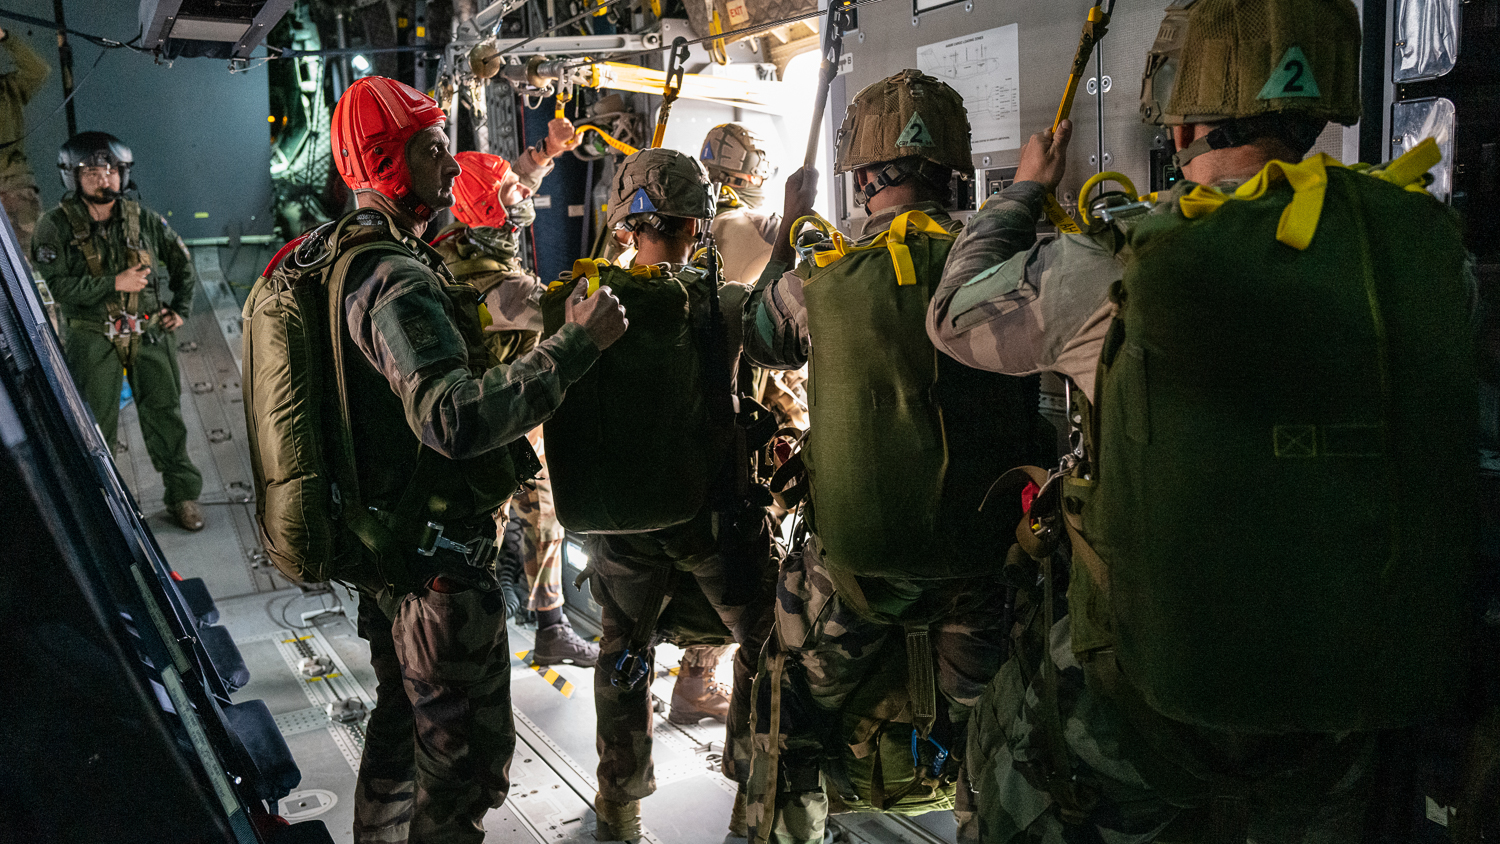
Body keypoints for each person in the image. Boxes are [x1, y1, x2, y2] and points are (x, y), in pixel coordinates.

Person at [927, 1, 1478, 840]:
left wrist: (1028, 194)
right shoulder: (1428, 253)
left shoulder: (1112, 262)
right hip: (1344, 701)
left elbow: (953, 316)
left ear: (1181, 127)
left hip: (1138, 696)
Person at [303, 76, 625, 844]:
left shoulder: (342, 254)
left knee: (396, 721)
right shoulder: (397, 279)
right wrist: (577, 346)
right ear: (385, 160)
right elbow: (449, 417)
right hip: (436, 563)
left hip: (388, 550)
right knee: (461, 762)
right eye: (434, 150)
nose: (451, 168)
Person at [741, 69, 1043, 843]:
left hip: (853, 573)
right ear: (954, 170)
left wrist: (791, 230)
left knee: (789, 712)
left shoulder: (819, 274)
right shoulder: (1016, 269)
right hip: (984, 566)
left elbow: (761, 339)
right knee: (995, 739)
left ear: (864, 175)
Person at [547, 147, 774, 841]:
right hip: (709, 520)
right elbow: (787, 338)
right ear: (697, 227)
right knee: (764, 640)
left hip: (620, 528)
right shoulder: (723, 305)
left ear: (626, 223)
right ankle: (752, 798)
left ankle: (620, 804)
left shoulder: (580, 305)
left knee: (624, 650)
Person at [430, 133, 599, 668]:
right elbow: (567, 311)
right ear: (489, 211)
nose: (522, 200)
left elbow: (498, 195)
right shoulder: (503, 290)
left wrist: (539, 160)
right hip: (507, 420)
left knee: (516, 520)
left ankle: (538, 627)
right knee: (532, 518)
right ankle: (509, 634)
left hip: (482, 416)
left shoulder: (453, 244)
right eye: (510, 195)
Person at [33, 132, 206, 531]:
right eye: (91, 171)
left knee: (165, 417)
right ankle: (102, 506)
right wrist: (115, 283)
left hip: (148, 332)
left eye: (111, 169)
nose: (103, 178)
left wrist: (179, 308)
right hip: (92, 337)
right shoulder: (52, 226)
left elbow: (182, 263)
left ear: (123, 174)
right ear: (71, 177)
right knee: (96, 426)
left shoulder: (142, 218)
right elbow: (57, 286)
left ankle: (182, 495)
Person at [0, 25, 49, 256]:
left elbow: (38, 71)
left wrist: (6, 38)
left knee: (28, 262)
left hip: (14, 186)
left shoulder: (8, 88)